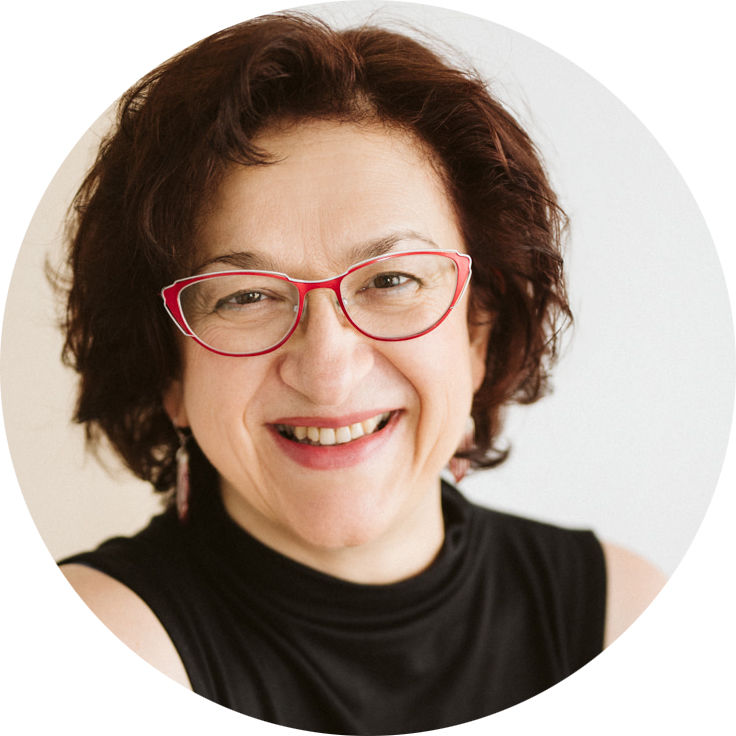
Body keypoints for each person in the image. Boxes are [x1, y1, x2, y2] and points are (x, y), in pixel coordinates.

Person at [57, 12, 665, 734]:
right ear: (170, 372)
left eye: (391, 280)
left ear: (478, 331)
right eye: (245, 296)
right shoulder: (94, 649)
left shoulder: (620, 616)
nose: (327, 371)